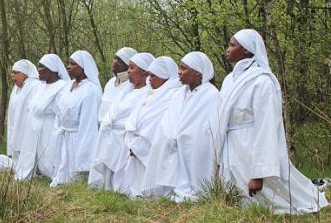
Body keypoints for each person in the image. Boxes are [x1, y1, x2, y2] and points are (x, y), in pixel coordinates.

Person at [219, 29, 328, 214]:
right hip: (233, 143)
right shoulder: (230, 79)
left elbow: (266, 126)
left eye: (232, 45)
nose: (227, 49)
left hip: (252, 142)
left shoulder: (261, 81)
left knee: (272, 196)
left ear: (246, 49)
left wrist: (259, 174)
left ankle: (305, 199)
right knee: (239, 198)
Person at [140, 51, 220, 202]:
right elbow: (169, 119)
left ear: (197, 72)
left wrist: (186, 134)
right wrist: (171, 134)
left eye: (183, 68)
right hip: (174, 142)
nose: (179, 72)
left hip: (196, 145)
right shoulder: (179, 93)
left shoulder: (211, 94)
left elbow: (208, 124)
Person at [112, 56, 182, 197]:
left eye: (153, 76)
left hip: (151, 145)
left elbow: (159, 125)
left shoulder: (173, 95)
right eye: (149, 75)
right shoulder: (152, 93)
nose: (149, 79)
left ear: (165, 76)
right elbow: (136, 117)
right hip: (135, 144)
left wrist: (139, 144)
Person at [89, 53, 154, 190]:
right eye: (128, 68)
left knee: (123, 174)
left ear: (144, 72)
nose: (128, 71)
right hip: (112, 136)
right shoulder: (126, 89)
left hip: (126, 138)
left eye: (132, 68)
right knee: (109, 174)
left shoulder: (148, 93)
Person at [50, 50, 102, 187]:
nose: (68, 66)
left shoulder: (91, 90)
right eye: (68, 63)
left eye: (73, 64)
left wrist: (84, 151)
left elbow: (88, 123)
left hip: (78, 136)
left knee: (75, 174)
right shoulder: (68, 87)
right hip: (65, 135)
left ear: (84, 68)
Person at [14, 54, 70, 180]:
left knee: (49, 156)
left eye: (43, 67)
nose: (39, 70)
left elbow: (61, 110)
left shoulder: (62, 86)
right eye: (38, 67)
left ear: (53, 69)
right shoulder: (41, 86)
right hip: (34, 126)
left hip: (50, 126)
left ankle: (51, 174)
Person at [7, 59, 41, 167]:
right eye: (12, 72)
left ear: (26, 73)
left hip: (28, 125)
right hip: (16, 125)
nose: (13, 75)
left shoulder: (35, 86)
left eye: (16, 73)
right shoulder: (16, 88)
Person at [98, 47, 138, 123]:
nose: (115, 62)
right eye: (115, 58)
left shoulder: (131, 85)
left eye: (120, 60)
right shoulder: (110, 82)